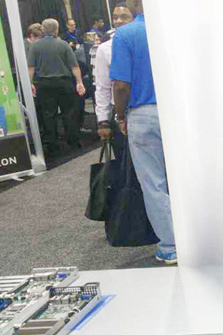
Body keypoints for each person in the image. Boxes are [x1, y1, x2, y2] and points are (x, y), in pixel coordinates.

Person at [110, 0, 177, 264]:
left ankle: (172, 246)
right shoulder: (176, 29)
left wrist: (120, 115)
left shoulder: (126, 34)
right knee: (189, 178)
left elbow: (121, 85)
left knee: (153, 183)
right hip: (181, 114)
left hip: (144, 113)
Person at [28, 18, 86, 155]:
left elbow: (31, 68)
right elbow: (74, 66)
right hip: (64, 83)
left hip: (44, 85)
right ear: (57, 29)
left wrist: (30, 83)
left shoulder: (35, 46)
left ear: (43, 30)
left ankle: (52, 145)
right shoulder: (64, 44)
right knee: (69, 112)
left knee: (48, 115)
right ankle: (73, 141)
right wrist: (79, 82)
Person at [95, 2, 133, 159]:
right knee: (124, 162)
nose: (118, 21)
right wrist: (103, 121)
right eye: (115, 17)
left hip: (145, 110)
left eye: (124, 17)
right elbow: (102, 87)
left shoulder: (147, 41)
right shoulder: (105, 49)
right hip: (120, 113)